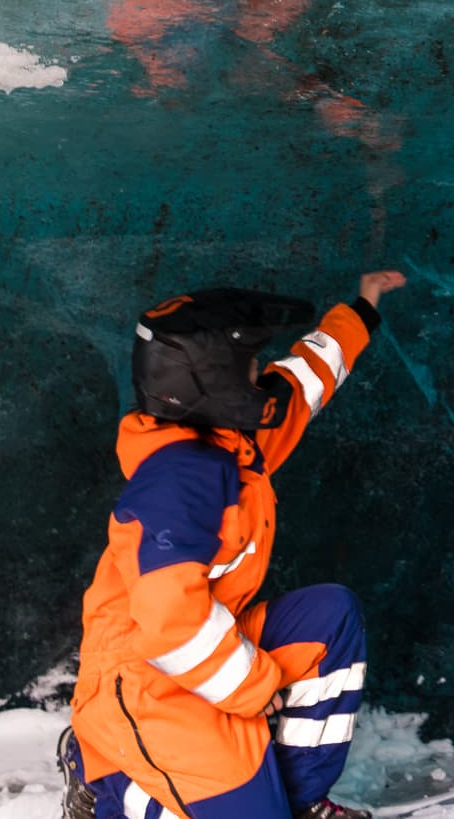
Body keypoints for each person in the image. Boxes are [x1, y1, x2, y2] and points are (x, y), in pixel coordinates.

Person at [58, 271, 409, 819]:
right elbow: (170, 623)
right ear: (212, 381)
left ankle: (300, 801)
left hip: (204, 645)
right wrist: (251, 683)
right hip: (145, 680)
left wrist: (360, 311)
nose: (257, 375)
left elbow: (300, 384)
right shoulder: (178, 482)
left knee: (330, 617)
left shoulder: (235, 441)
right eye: (246, 366)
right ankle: (103, 782)